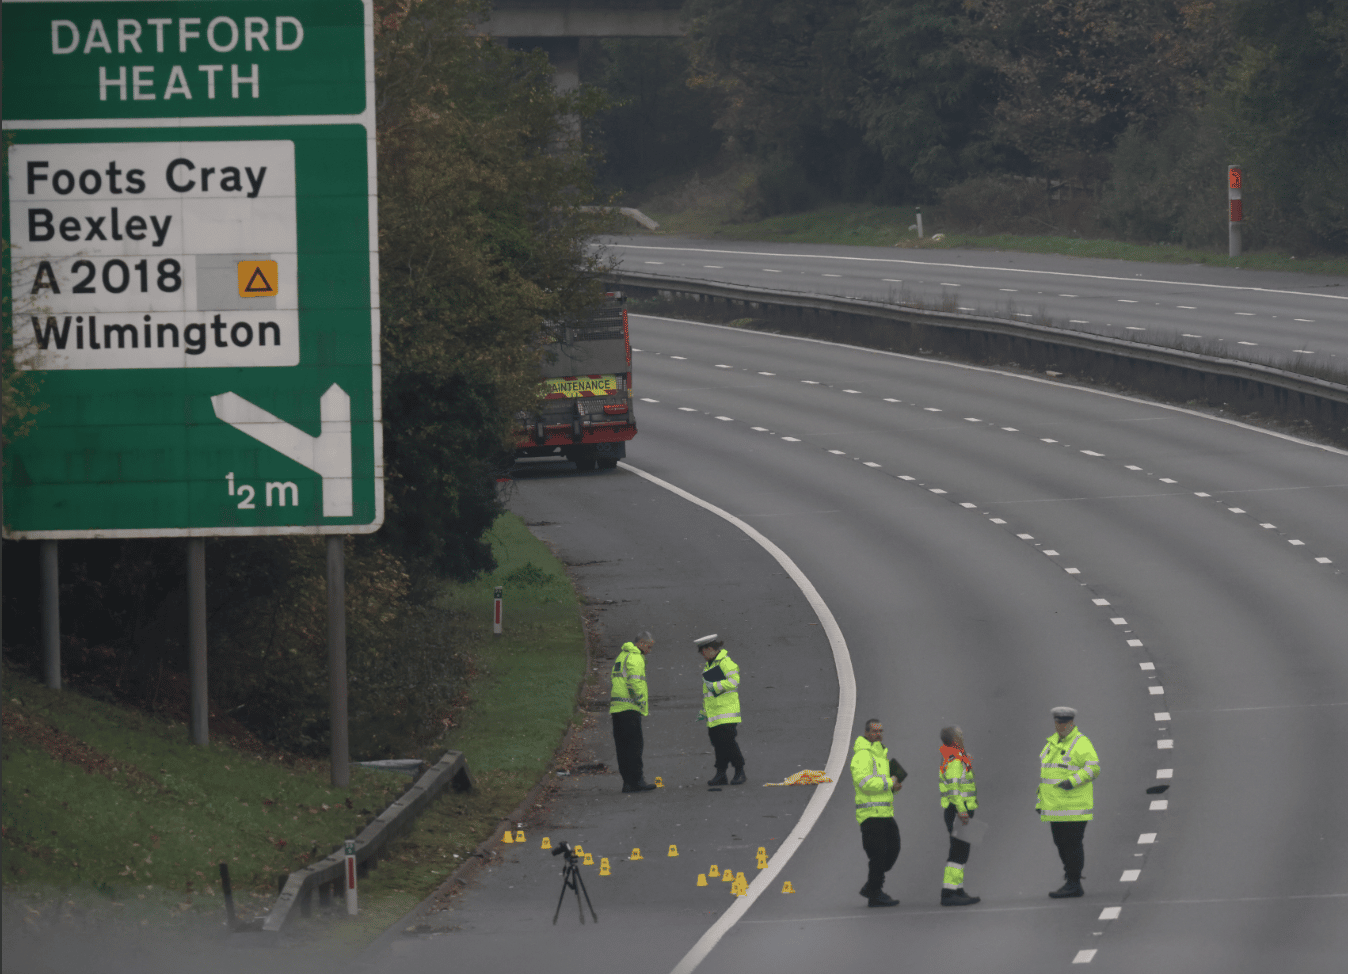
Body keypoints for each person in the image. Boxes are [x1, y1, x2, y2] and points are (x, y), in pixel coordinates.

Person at [1037, 706, 1102, 898]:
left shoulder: (1081, 743)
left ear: (1071, 723)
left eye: (1064, 722)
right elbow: (1046, 775)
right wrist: (1040, 802)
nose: (1060, 726)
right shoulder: (1051, 744)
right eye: (1058, 722)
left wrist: (1072, 781)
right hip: (1055, 807)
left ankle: (1074, 883)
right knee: (1060, 843)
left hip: (1074, 806)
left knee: (1072, 844)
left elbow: (1094, 769)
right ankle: (1071, 878)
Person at [851, 718, 904, 907]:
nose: (878, 734)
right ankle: (874, 891)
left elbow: (881, 783)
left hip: (884, 813)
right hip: (870, 815)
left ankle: (872, 887)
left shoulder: (881, 755)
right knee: (878, 854)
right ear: (866, 733)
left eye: (881, 731)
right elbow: (865, 783)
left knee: (893, 849)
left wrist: (894, 787)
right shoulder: (863, 756)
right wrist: (890, 782)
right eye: (874, 731)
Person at [938, 725, 980, 906]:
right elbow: (954, 790)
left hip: (961, 811)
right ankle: (948, 892)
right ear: (954, 740)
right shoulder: (954, 761)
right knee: (957, 853)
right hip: (958, 811)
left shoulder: (956, 758)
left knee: (962, 852)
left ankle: (958, 888)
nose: (963, 737)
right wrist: (962, 811)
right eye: (960, 735)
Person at [610, 631, 657, 793]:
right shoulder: (636, 657)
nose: (649, 651)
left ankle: (627, 782)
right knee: (635, 746)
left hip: (617, 708)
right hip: (630, 709)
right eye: (649, 647)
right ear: (642, 643)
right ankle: (638, 780)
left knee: (622, 748)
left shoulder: (622, 656)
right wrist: (641, 700)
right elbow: (635, 682)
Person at [696, 634, 746, 785]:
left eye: (703, 652)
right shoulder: (710, 665)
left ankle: (740, 770)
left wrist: (716, 686)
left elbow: (734, 681)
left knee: (728, 743)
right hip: (715, 714)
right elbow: (709, 694)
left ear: (710, 649)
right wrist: (704, 712)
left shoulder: (726, 663)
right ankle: (721, 773)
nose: (702, 655)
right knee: (718, 744)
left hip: (726, 712)